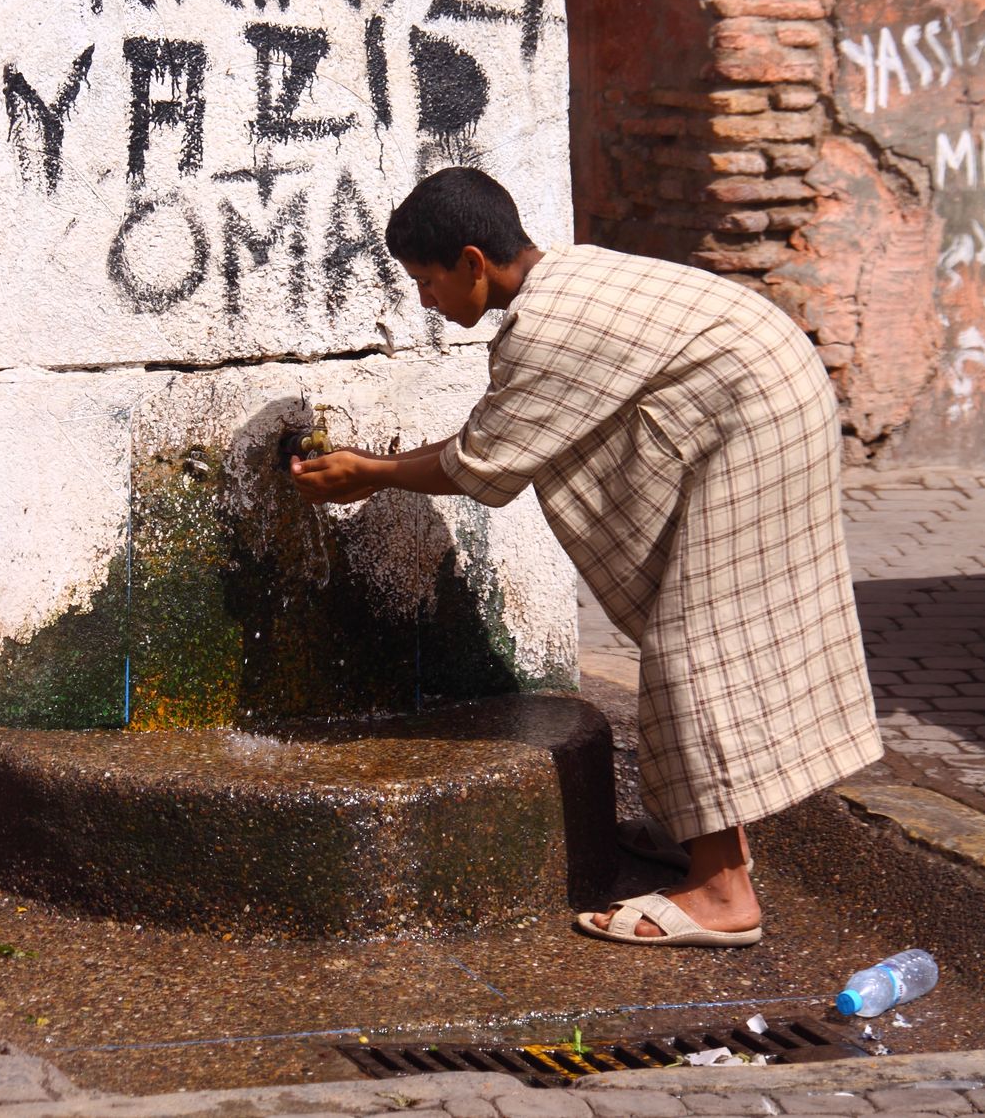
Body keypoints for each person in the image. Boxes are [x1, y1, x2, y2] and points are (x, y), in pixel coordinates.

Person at [291, 166, 882, 949]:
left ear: (474, 261)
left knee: (693, 639)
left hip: (761, 415)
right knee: (700, 619)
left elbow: (485, 462)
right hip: (771, 386)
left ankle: (723, 891)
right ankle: (701, 830)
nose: (425, 301)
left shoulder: (542, 328)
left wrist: (369, 472)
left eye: (429, 281)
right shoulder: (564, 277)